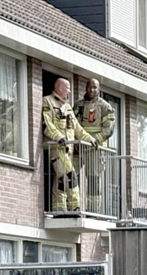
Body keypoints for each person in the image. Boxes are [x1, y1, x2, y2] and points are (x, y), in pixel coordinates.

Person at [42, 78, 92, 212]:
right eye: (67, 89)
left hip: (68, 150)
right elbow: (46, 124)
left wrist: (90, 139)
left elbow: (77, 128)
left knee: (61, 179)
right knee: (70, 175)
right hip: (57, 148)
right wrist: (58, 137)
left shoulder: (68, 107)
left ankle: (59, 208)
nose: (69, 92)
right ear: (59, 88)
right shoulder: (47, 101)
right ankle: (75, 206)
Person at [75, 78, 116, 214]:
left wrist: (94, 140)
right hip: (78, 147)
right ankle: (72, 206)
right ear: (86, 88)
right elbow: (72, 125)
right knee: (71, 175)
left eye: (95, 87)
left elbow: (108, 129)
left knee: (93, 179)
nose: (92, 90)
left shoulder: (105, 107)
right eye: (89, 87)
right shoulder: (78, 105)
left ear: (99, 89)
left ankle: (93, 211)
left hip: (95, 149)